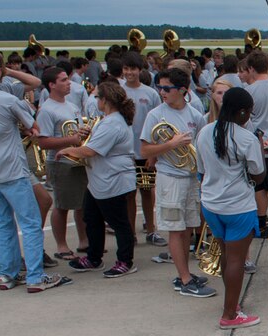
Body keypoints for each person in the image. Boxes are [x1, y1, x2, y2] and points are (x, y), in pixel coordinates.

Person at [0, 48, 70, 292]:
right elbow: (33, 127)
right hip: (12, 166)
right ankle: (35, 277)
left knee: (3, 223)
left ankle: (8, 274)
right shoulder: (8, 99)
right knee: (31, 222)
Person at [140, 68, 215, 298]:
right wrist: (171, 144)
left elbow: (202, 146)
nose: (162, 92)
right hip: (170, 178)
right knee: (175, 229)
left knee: (188, 227)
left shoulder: (195, 114)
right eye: (160, 87)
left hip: (191, 178)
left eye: (166, 88)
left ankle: (186, 273)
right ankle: (184, 278)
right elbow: (144, 150)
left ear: (183, 90)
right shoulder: (155, 115)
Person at [195, 88, 265, 328]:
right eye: (249, 112)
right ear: (242, 111)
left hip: (211, 204)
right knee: (236, 260)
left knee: (226, 254)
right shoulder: (246, 138)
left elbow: (201, 170)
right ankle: (229, 315)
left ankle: (231, 303)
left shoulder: (205, 131)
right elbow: (258, 175)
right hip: (238, 206)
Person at [58, 82, 138, 278]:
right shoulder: (108, 120)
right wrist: (87, 134)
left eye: (96, 97)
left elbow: (91, 150)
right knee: (91, 217)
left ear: (105, 100)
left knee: (119, 222)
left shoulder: (113, 123)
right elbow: (94, 143)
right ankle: (94, 257)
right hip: (99, 181)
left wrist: (68, 149)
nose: (95, 101)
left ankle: (125, 261)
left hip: (112, 180)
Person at [35, 67, 89, 262]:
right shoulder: (47, 110)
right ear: (52, 85)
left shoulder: (71, 105)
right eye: (64, 80)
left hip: (77, 159)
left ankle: (84, 240)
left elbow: (76, 131)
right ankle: (61, 245)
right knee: (62, 204)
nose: (68, 83)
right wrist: (72, 140)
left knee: (81, 203)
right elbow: (42, 142)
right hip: (60, 162)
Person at [121, 52, 166, 247]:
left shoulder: (150, 93)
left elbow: (158, 122)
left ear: (140, 70)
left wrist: (154, 154)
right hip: (125, 154)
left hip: (144, 154)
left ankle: (151, 230)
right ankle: (130, 233)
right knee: (129, 194)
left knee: (147, 191)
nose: (129, 72)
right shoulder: (118, 92)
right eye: (126, 68)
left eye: (133, 69)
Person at [241, 51, 268, 239]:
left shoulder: (248, 91)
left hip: (258, 144)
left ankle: (262, 223)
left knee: (260, 188)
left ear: (251, 69)